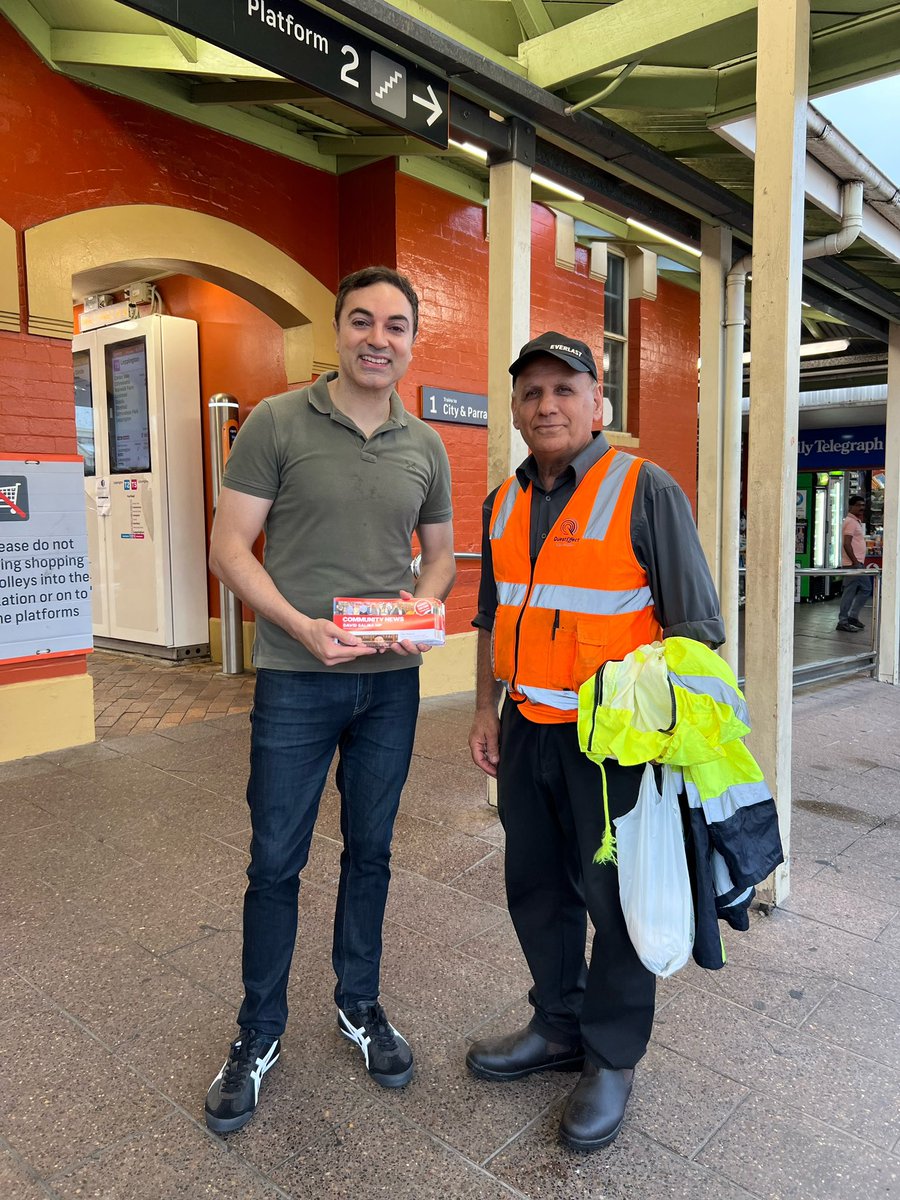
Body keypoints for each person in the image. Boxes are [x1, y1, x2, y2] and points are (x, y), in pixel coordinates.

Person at [205, 266, 455, 1134]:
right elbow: (230, 548)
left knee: (372, 853)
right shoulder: (276, 422)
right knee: (275, 861)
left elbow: (442, 556)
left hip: (389, 685)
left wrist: (419, 614)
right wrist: (303, 628)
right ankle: (256, 1033)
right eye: (361, 321)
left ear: (412, 341)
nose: (377, 338)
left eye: (395, 325)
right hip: (295, 679)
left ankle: (360, 1006)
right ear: (338, 333)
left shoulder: (425, 445)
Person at [467, 332, 724, 1152]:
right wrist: (484, 710)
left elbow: (696, 630)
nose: (546, 405)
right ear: (514, 408)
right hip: (526, 727)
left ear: (598, 402)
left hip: (615, 744)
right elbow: (491, 618)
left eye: (564, 389)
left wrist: (677, 744)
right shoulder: (500, 503)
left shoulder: (645, 489)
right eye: (531, 392)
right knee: (536, 888)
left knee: (616, 903)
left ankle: (611, 1057)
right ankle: (558, 1025)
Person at [836, 494, 873, 632]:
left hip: (857, 564)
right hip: (853, 564)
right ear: (851, 506)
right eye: (858, 505)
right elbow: (846, 543)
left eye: (863, 505)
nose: (861, 508)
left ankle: (851, 617)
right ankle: (843, 620)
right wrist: (855, 562)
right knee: (851, 591)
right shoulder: (851, 522)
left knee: (865, 588)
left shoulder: (855, 521)